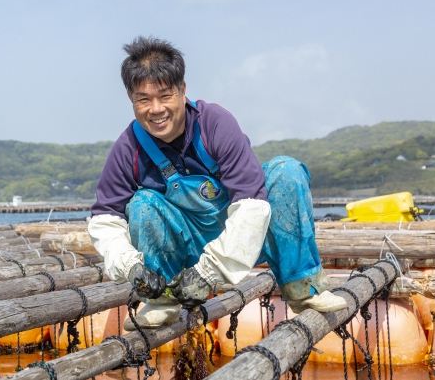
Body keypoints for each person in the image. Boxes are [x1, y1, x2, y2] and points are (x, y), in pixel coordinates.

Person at [88, 36, 347, 331]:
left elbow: (252, 204)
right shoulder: (128, 147)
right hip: (188, 247)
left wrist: (209, 273)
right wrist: (130, 266)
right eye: (144, 99)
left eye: (165, 95)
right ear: (131, 99)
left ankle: (303, 287)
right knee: (143, 203)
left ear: (183, 90)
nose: (156, 109)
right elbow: (105, 218)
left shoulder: (215, 124)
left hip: (248, 239)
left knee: (285, 171)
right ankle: (162, 301)